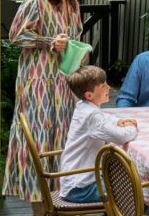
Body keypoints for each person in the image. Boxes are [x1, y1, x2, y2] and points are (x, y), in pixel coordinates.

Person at [5, 0, 87, 216]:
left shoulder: (74, 5)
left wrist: (78, 52)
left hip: (64, 85)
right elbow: (15, 35)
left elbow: (73, 38)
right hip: (38, 85)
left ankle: (62, 210)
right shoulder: (37, 1)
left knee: (63, 145)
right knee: (40, 146)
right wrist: (49, 42)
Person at [59, 65, 138, 206]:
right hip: (81, 188)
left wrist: (118, 121)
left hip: (74, 181)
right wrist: (132, 126)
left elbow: (104, 117)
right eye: (103, 86)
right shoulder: (92, 115)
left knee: (129, 184)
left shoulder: (84, 107)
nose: (108, 87)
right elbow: (122, 137)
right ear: (89, 95)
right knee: (138, 192)